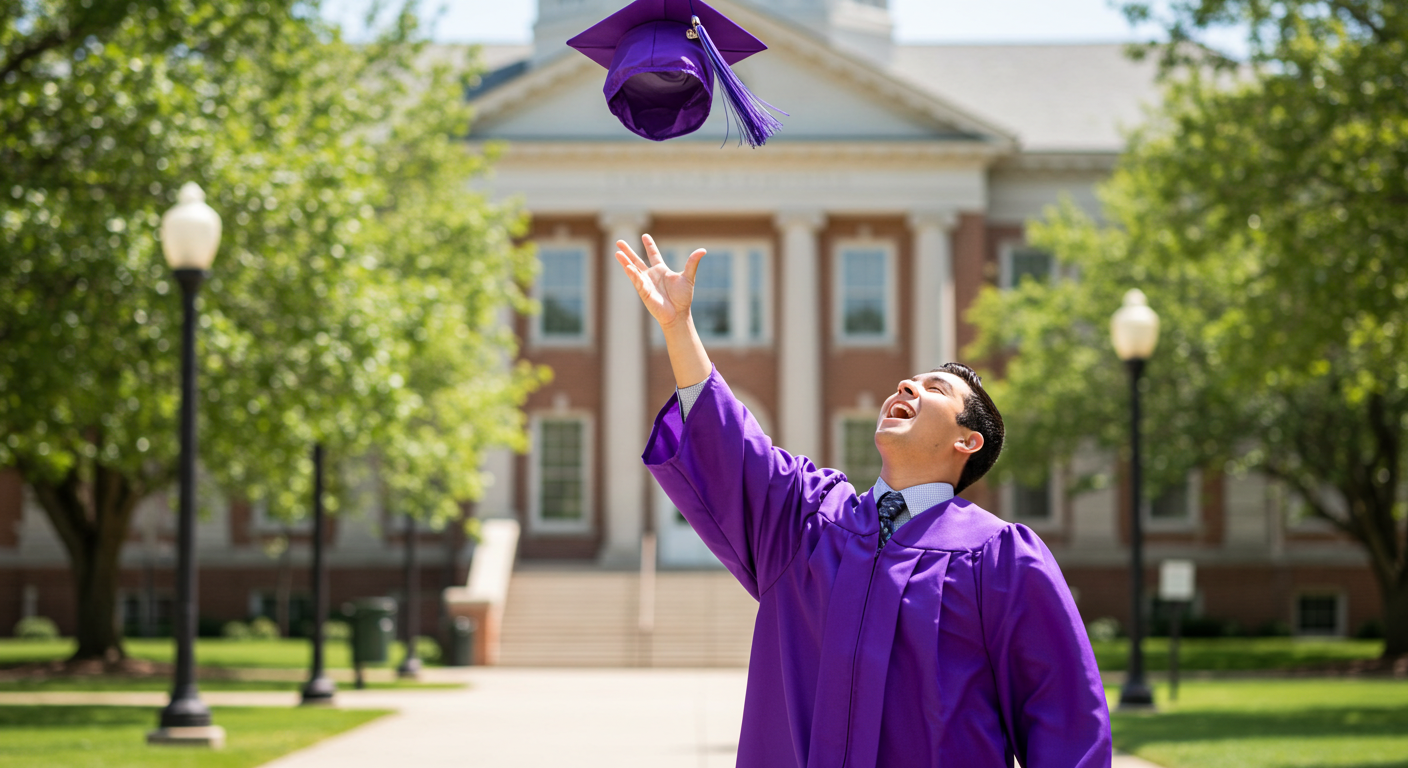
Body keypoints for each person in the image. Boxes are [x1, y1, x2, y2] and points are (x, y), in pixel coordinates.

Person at [614, 234, 1111, 768]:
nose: (906, 386)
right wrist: (677, 327)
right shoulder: (806, 523)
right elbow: (729, 444)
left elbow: (1065, 724)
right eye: (908, 381)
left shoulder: (1000, 560)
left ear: (968, 441)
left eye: (935, 389)